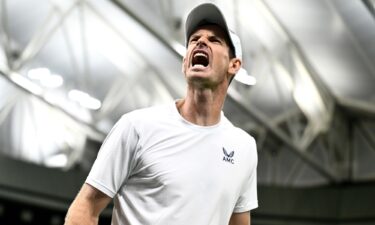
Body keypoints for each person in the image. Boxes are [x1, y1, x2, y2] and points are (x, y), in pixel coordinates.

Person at [64, 3, 258, 225]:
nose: (201, 42)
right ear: (185, 63)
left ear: (234, 65)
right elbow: (86, 207)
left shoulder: (244, 147)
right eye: (194, 40)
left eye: (214, 40)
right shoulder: (136, 127)